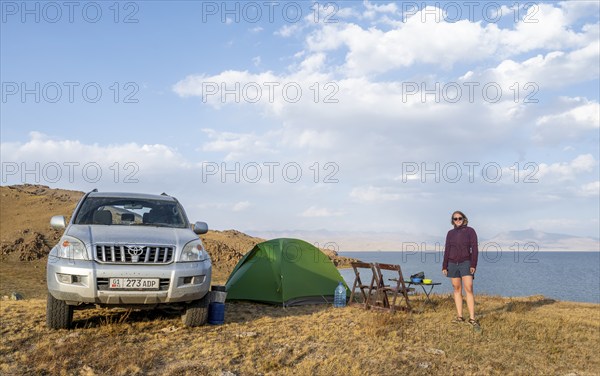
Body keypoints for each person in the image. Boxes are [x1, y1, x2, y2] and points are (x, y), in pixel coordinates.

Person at [442, 210, 480, 329]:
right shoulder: (450, 233)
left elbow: (475, 249)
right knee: (457, 289)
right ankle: (460, 316)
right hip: (452, 263)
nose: (458, 220)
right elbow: (447, 249)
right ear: (452, 221)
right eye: (455, 219)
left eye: (460, 218)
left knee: (468, 288)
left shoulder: (470, 231)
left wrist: (473, 265)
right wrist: (444, 266)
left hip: (466, 263)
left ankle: (472, 318)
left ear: (464, 219)